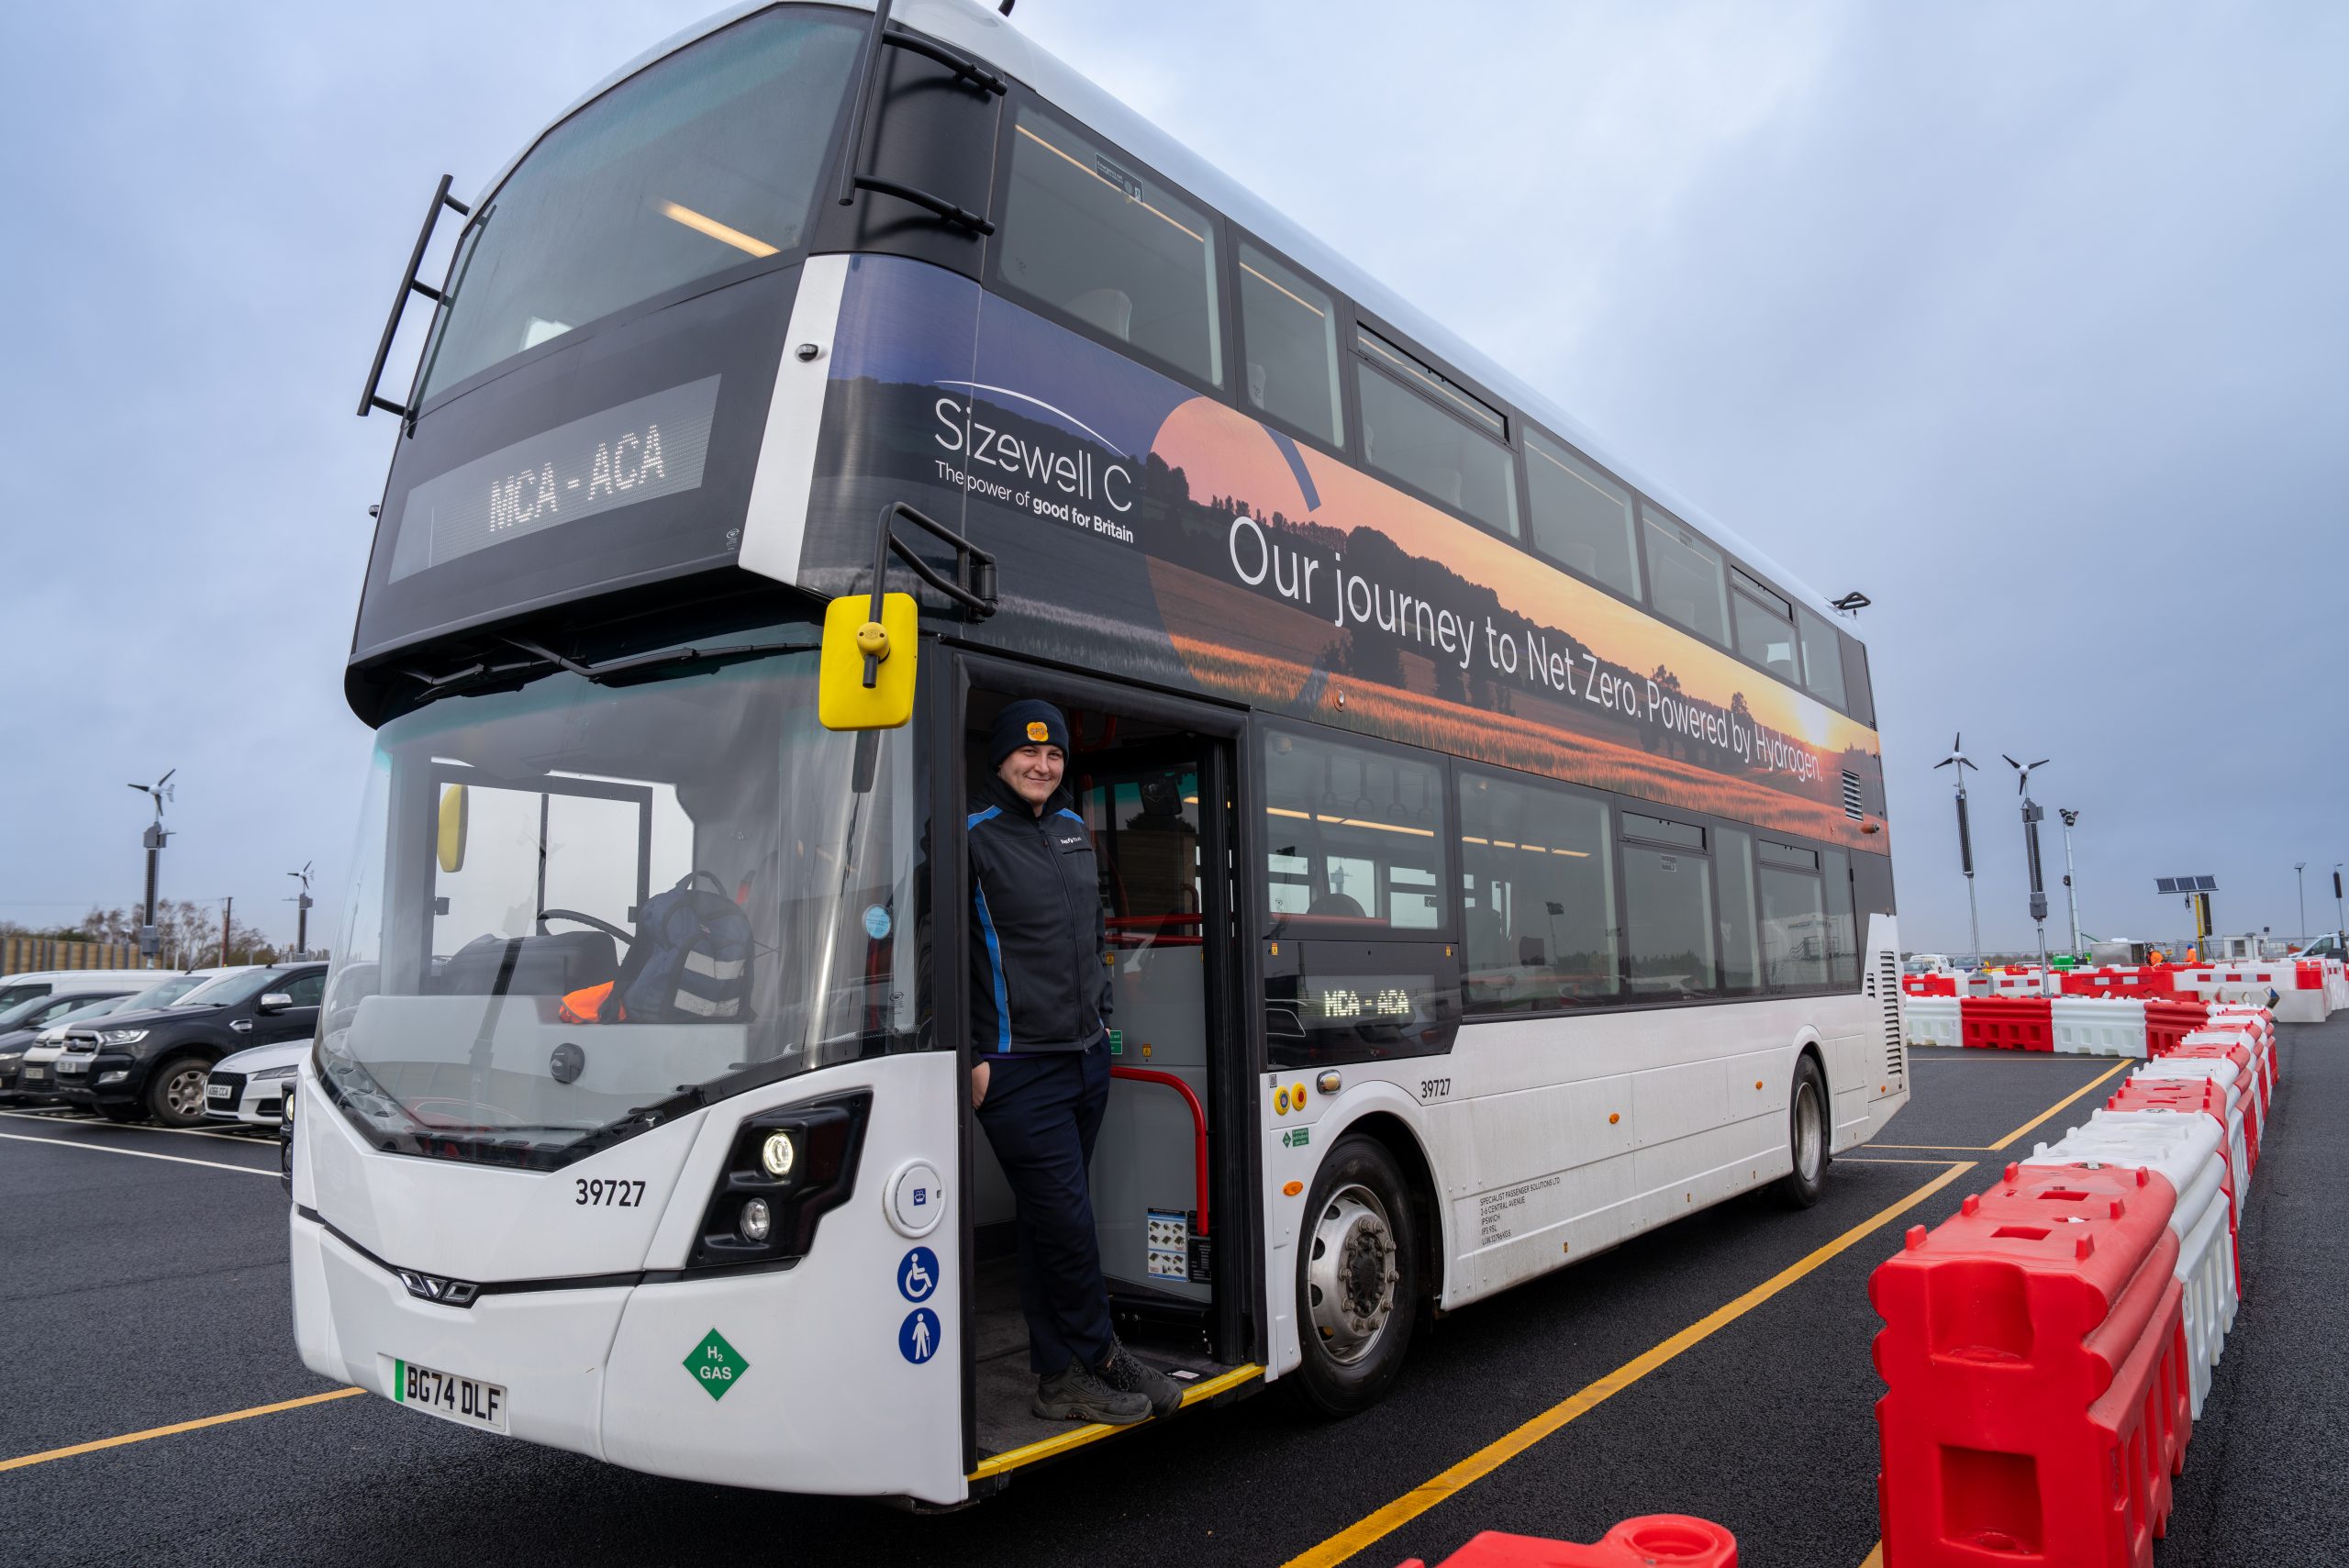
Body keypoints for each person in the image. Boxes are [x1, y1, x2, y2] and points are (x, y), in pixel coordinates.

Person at [968, 698, 1183, 1426]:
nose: (1042, 765)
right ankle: (1102, 1354)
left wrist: (1103, 1020)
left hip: (1084, 1060)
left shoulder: (1070, 831)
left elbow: (1094, 936)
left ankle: (1058, 1374)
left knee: (1044, 1222)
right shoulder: (969, 838)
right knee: (1067, 1219)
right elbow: (933, 954)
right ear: (1001, 758)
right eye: (1029, 754)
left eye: (1054, 755)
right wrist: (972, 1058)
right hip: (1016, 1068)